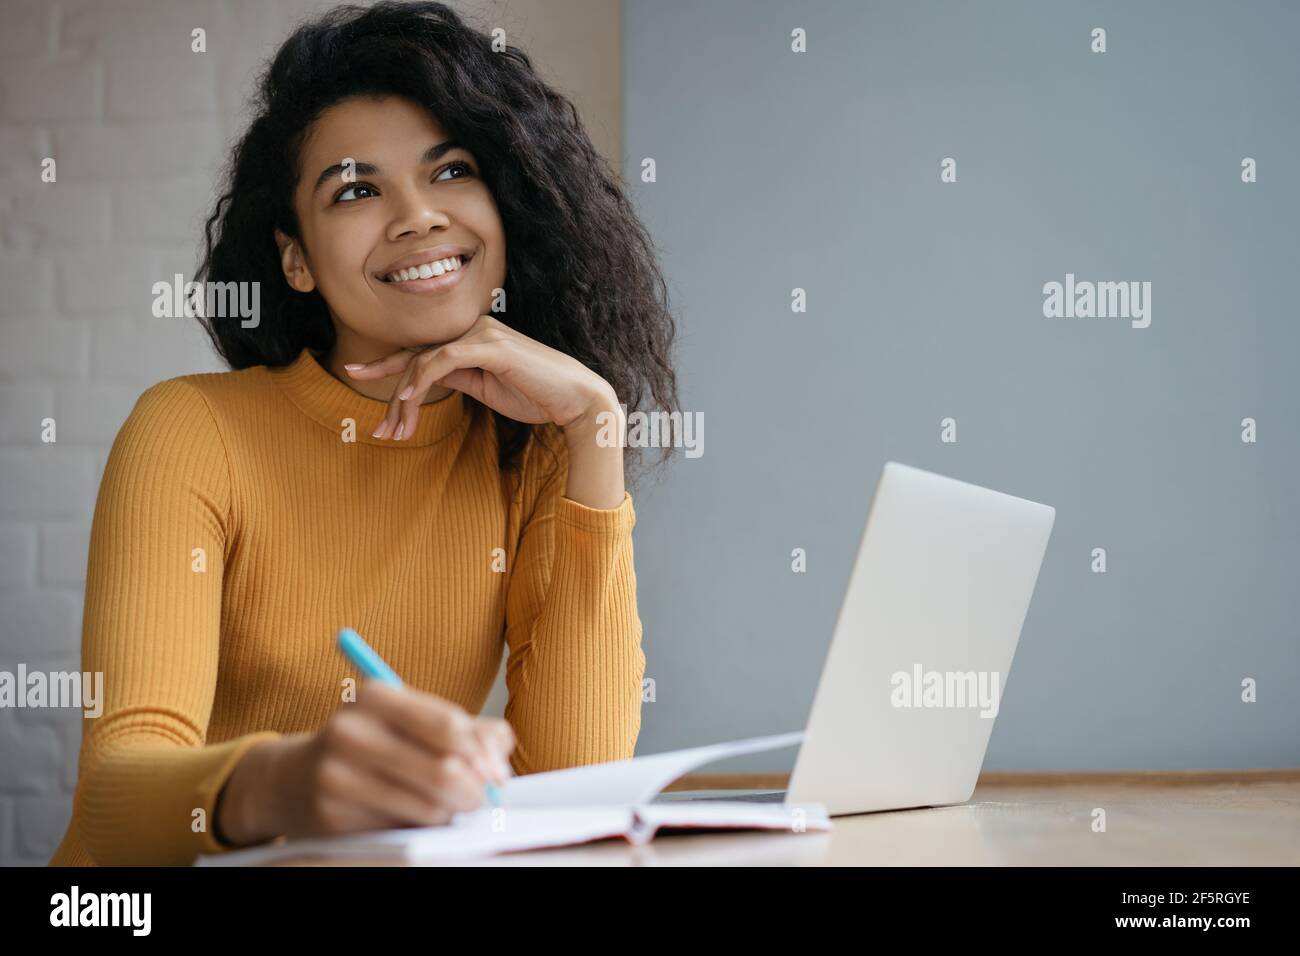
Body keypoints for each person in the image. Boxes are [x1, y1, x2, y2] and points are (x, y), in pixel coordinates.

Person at [49, 0, 679, 866]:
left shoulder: (532, 451)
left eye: (451, 171)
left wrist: (594, 426)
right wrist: (289, 783)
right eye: (355, 190)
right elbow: (114, 805)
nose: (418, 216)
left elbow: (572, 786)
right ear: (297, 259)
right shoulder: (191, 430)